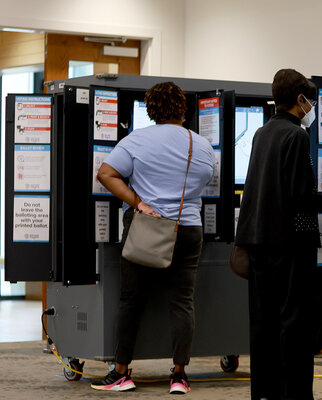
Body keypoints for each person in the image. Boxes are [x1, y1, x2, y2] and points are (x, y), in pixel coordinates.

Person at [93, 82, 216, 394]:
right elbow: (205, 181)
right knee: (182, 301)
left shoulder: (137, 140)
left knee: (132, 300)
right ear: (183, 109)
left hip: (147, 226)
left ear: (150, 110)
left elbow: (106, 174)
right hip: (188, 228)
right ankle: (179, 376)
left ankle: (121, 372)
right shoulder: (201, 145)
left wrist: (138, 203)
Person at [235, 68, 322, 400]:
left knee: (263, 324)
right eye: (310, 101)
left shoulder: (262, 133)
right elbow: (299, 194)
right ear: (300, 100)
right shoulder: (296, 136)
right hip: (290, 244)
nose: (311, 108)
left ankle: (264, 392)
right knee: (293, 325)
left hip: (258, 243)